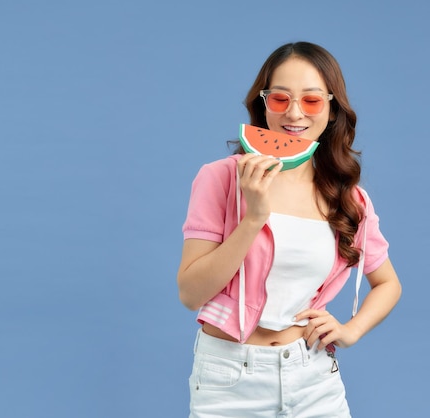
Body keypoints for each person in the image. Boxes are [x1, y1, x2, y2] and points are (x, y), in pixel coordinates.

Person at [177, 41, 402, 418]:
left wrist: (350, 330)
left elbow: (389, 283)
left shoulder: (350, 199)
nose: (294, 113)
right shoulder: (220, 178)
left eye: (311, 101)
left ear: (332, 110)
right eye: (280, 99)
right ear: (263, 104)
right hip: (230, 380)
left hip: (313, 377)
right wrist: (253, 218)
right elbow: (190, 293)